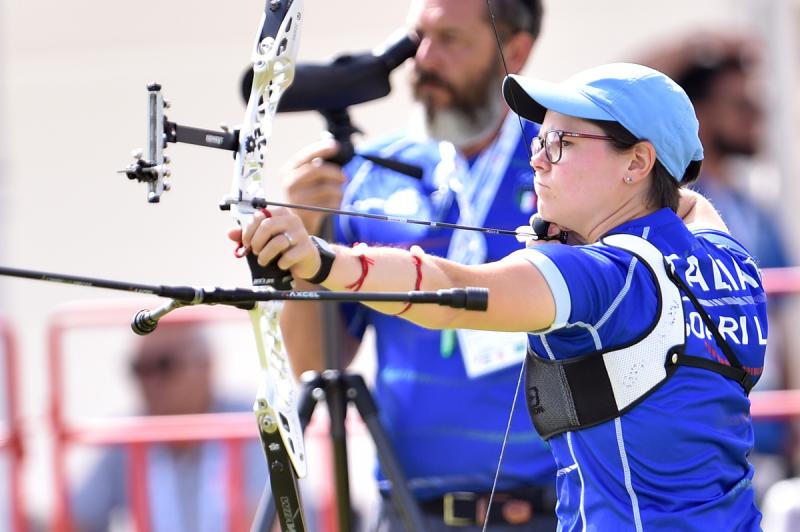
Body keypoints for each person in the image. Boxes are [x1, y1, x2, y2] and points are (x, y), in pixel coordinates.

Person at [233, 62, 769, 530]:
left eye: (564, 143)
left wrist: (319, 260)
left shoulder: (601, 277)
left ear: (637, 162)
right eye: (541, 140)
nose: (539, 159)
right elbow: (689, 206)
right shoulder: (730, 260)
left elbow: (446, 289)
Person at [279, 0, 558, 530]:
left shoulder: (564, 166)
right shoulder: (364, 176)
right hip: (411, 513)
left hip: (557, 510)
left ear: (515, 51)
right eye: (416, 38)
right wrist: (305, 249)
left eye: (451, 40)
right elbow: (318, 364)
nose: (423, 59)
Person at [638, 33, 794, 497]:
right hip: (693, 445)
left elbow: (783, 325)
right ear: (699, 115)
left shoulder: (758, 212)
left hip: (762, 441)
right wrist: (694, 48)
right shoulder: (665, 214)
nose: (756, 116)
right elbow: (605, 105)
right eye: (739, 104)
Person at [70, 322, 269, 532]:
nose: (151, 381)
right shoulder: (127, 439)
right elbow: (76, 519)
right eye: (140, 368)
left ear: (205, 365)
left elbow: (272, 516)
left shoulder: (250, 424)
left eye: (164, 365)